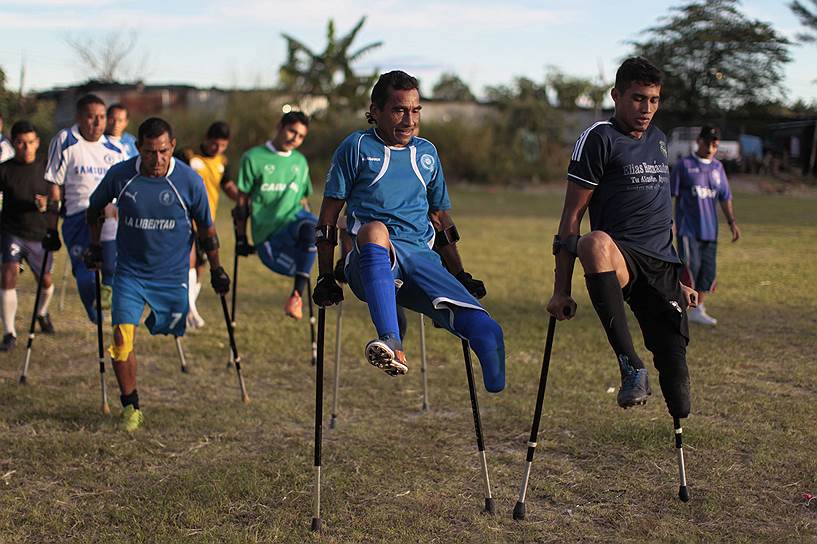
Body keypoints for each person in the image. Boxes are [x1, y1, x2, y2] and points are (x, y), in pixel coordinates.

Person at [311, 70, 503, 392]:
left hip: (420, 259)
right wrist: (326, 275)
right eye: (399, 110)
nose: (409, 120)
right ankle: (391, 339)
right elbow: (329, 217)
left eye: (415, 111)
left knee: (487, 330)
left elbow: (440, 218)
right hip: (370, 260)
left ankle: (492, 381)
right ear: (376, 111)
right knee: (374, 230)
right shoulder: (356, 147)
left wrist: (461, 272)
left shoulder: (427, 153)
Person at [546, 57, 697, 419]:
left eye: (654, 100)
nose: (647, 109)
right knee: (593, 243)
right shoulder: (599, 139)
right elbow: (571, 218)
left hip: (662, 267)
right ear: (616, 95)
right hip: (622, 257)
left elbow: (665, 218)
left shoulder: (660, 140)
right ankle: (631, 366)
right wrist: (561, 290)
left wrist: (683, 279)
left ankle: (664, 378)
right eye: (638, 98)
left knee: (680, 396)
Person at [85, 117, 230, 432]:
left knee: (173, 326)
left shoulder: (189, 181)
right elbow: (94, 208)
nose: (157, 160)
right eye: (149, 152)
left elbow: (206, 228)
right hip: (130, 274)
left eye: (163, 151)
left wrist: (216, 268)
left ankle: (156, 319)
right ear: (138, 149)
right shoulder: (120, 175)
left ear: (173, 146)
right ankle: (131, 406)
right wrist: (95, 247)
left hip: (172, 276)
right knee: (122, 340)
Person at [44, 94, 124, 322]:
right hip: (77, 217)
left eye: (101, 117)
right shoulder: (66, 140)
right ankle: (95, 313)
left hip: (108, 216)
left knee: (111, 264)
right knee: (87, 273)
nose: (98, 123)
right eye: (91, 117)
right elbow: (54, 185)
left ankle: (108, 291)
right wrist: (51, 228)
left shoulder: (115, 150)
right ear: (79, 117)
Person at [233, 112, 316, 320]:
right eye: (292, 131)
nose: (294, 139)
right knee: (300, 267)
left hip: (295, 221)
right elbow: (241, 203)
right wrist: (241, 238)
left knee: (313, 227)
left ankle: (296, 297)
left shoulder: (300, 161)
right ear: (280, 126)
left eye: (301, 136)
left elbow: (304, 201)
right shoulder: (252, 158)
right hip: (269, 236)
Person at [671, 126, 741, 326]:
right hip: (688, 229)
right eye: (707, 143)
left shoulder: (718, 168)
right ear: (698, 142)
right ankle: (680, 308)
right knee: (689, 268)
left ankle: (698, 309)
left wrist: (732, 222)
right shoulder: (684, 166)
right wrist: (669, 221)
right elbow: (670, 196)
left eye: (715, 145)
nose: (711, 148)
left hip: (710, 230)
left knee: (706, 272)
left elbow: (725, 197)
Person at [177, 121, 239, 328]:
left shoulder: (222, 162)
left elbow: (228, 187)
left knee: (203, 264)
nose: (217, 149)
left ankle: (189, 304)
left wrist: (245, 198)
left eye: (222, 145)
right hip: (184, 218)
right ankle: (189, 309)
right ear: (206, 139)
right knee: (190, 260)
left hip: (206, 220)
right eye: (214, 144)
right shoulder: (188, 155)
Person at [0, 121, 55, 351]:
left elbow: (57, 200)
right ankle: (9, 332)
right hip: (12, 231)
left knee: (45, 281)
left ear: (37, 143)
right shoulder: (4, 169)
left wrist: (49, 203)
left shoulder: (47, 167)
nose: (26, 147)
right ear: (13, 143)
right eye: (21, 143)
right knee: (9, 274)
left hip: (39, 233)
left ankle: (41, 313)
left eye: (30, 142)